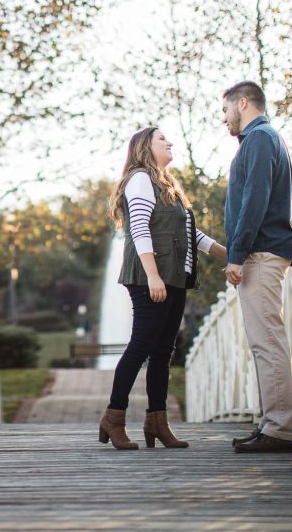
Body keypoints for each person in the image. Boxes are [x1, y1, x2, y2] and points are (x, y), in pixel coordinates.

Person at [99, 126, 227, 450]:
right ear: (145, 147)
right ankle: (114, 418)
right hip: (149, 278)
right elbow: (139, 229)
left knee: (162, 353)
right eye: (162, 140)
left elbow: (191, 236)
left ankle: (157, 421)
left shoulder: (167, 183)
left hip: (174, 277)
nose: (170, 143)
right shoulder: (140, 178)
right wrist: (153, 276)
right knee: (141, 346)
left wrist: (230, 254)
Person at [221, 80, 292, 454]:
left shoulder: (261, 138)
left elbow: (255, 199)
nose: (224, 119)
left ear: (243, 102)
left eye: (225, 110)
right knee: (262, 343)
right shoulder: (261, 139)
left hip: (261, 253)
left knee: (268, 342)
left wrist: (236, 254)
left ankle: (280, 429)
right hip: (262, 251)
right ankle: (270, 424)